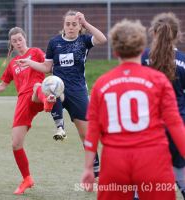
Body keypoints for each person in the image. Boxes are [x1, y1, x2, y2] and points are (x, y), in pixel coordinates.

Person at [80, 18, 185, 200]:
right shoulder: (159, 81)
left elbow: (93, 130)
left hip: (114, 161)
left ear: (114, 50)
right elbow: (175, 125)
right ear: (141, 48)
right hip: (153, 159)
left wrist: (89, 168)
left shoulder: (102, 84)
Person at [15, 10, 107, 179]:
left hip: (78, 91)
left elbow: (102, 39)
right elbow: (46, 68)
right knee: (50, 86)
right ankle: (60, 128)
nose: (70, 27)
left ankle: (95, 171)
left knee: (86, 135)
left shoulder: (84, 40)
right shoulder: (54, 42)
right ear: (63, 26)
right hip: (59, 88)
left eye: (74, 24)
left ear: (79, 27)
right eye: (67, 24)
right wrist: (29, 62)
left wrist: (86, 22)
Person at [0, 27, 56, 195]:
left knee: (37, 86)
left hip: (37, 94)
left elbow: (49, 67)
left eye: (20, 39)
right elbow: (4, 85)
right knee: (16, 144)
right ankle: (27, 179)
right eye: (14, 41)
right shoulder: (13, 63)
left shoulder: (35, 52)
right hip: (22, 101)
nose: (18, 43)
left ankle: (47, 102)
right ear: (11, 43)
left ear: (25, 38)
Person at [142, 12, 185, 199]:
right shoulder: (184, 61)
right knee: (179, 173)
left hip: (150, 125)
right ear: (177, 35)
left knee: (144, 175)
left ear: (153, 34)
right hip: (178, 124)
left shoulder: (142, 58)